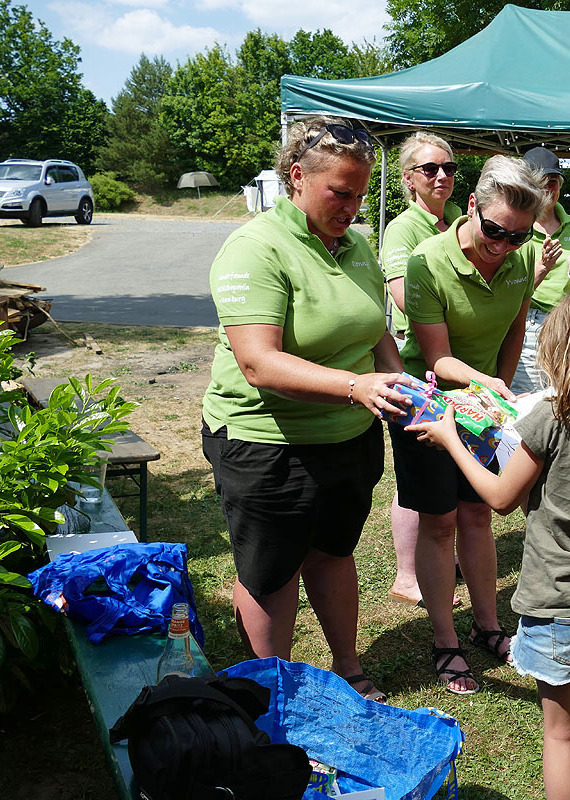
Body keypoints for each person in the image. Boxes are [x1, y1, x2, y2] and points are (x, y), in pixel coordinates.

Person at [409, 287, 570, 800]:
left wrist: (452, 439)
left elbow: (500, 499)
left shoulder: (550, 420)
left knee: (561, 735)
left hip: (560, 605)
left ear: (559, 352)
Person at [201, 116, 407, 702]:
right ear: (296, 176)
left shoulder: (357, 245)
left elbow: (374, 330)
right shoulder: (255, 247)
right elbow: (259, 363)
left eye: (361, 195)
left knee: (334, 552)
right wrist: (356, 386)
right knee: (271, 573)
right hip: (267, 442)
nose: (352, 208)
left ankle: (348, 668)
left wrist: (400, 383)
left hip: (349, 437)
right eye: (340, 193)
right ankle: (274, 693)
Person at [390, 154, 546, 694]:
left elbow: (516, 328)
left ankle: (488, 626)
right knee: (439, 522)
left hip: (486, 400)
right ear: (473, 206)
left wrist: (501, 396)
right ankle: (445, 641)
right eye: (495, 231)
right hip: (429, 404)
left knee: (478, 514)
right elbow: (436, 358)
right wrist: (487, 384)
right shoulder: (427, 262)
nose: (504, 245)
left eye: (518, 236)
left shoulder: (523, 257)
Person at [380, 132, 464, 610]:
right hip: (417, 370)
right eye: (429, 169)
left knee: (446, 476)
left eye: (448, 168)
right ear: (409, 178)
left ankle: (436, 561)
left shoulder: (458, 218)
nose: (441, 176)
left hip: (455, 367)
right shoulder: (403, 229)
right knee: (414, 479)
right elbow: (403, 298)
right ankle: (407, 575)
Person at [510, 146, 570, 395]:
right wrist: (542, 267)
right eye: (539, 182)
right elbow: (509, 293)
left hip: (568, 325)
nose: (547, 189)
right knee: (526, 402)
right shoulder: (514, 226)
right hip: (527, 325)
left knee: (564, 400)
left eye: (552, 181)